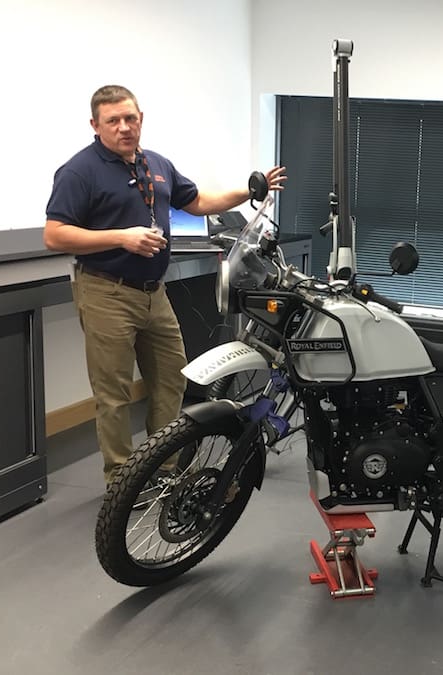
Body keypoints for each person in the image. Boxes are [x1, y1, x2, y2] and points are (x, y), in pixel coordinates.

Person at [44, 84, 287, 484]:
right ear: (95, 125)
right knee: (114, 393)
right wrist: (121, 238)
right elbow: (55, 235)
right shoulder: (79, 171)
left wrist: (249, 190)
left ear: (141, 119)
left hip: (154, 292)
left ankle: (162, 469)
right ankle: (122, 482)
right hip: (106, 291)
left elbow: (197, 202)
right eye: (113, 121)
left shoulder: (155, 164)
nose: (124, 127)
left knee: (171, 379)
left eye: (130, 118)